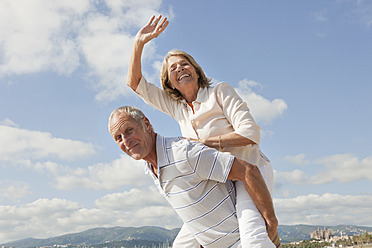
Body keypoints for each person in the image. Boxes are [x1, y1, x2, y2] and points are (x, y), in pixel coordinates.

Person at [126, 15, 280, 247]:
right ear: (170, 83)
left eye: (184, 64)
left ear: (196, 70)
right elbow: (135, 82)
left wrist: (205, 143)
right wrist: (139, 42)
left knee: (253, 238)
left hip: (249, 172)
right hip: (217, 181)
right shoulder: (176, 106)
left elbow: (251, 135)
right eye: (173, 69)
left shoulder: (219, 91)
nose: (180, 69)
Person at [108, 106, 277, 248]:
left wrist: (271, 221)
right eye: (118, 138)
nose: (126, 140)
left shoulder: (184, 153)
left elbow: (248, 170)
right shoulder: (151, 167)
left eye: (129, 130)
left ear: (146, 124)